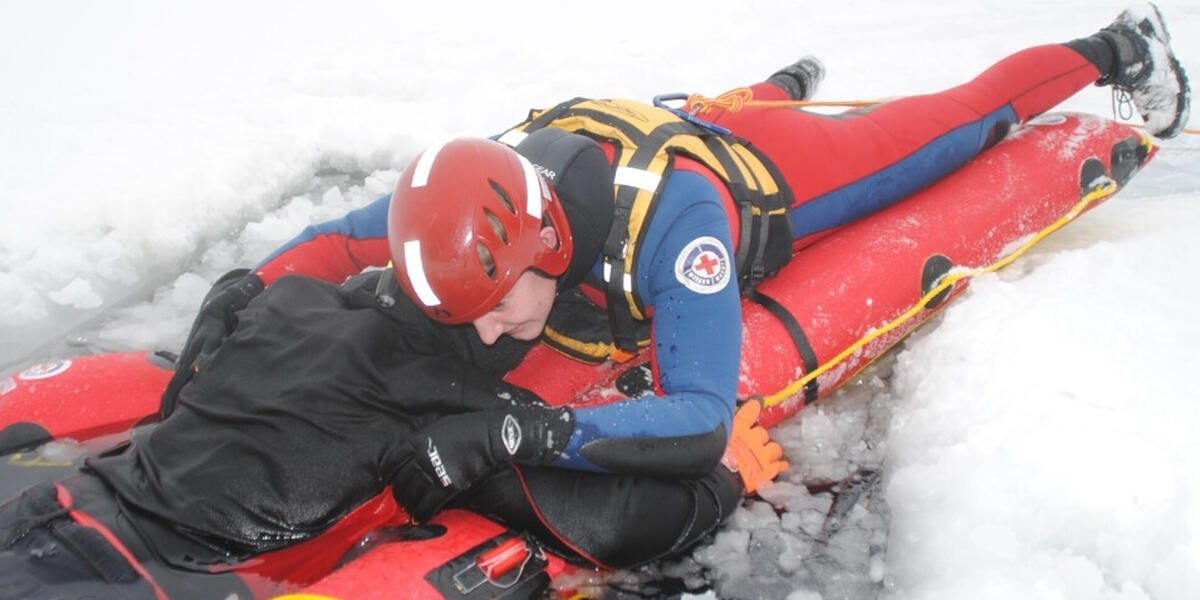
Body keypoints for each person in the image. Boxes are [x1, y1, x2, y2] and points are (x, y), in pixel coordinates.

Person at [227, 3, 1189, 513]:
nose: (482, 334)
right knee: (702, 106)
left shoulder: (675, 236)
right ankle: (775, 83)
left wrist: (524, 434)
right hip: (628, 128)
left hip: (753, 176)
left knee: (954, 120)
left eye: (492, 305)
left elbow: (696, 416)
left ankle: (1116, 45)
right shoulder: (476, 203)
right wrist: (240, 295)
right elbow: (327, 244)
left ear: (547, 245)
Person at [0, 267, 779, 599]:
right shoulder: (444, 406)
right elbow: (596, 523)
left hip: (54, 508)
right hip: (144, 580)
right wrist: (721, 480)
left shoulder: (289, 301)